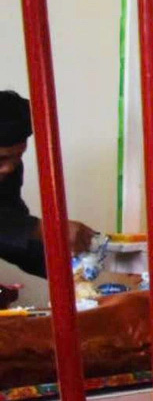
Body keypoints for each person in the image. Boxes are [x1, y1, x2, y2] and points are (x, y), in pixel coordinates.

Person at [0, 90, 98, 279]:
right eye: (1, 158)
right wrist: (47, 228)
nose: (9, 168)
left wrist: (74, 263)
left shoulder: (9, 171)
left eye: (18, 157)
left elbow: (14, 239)